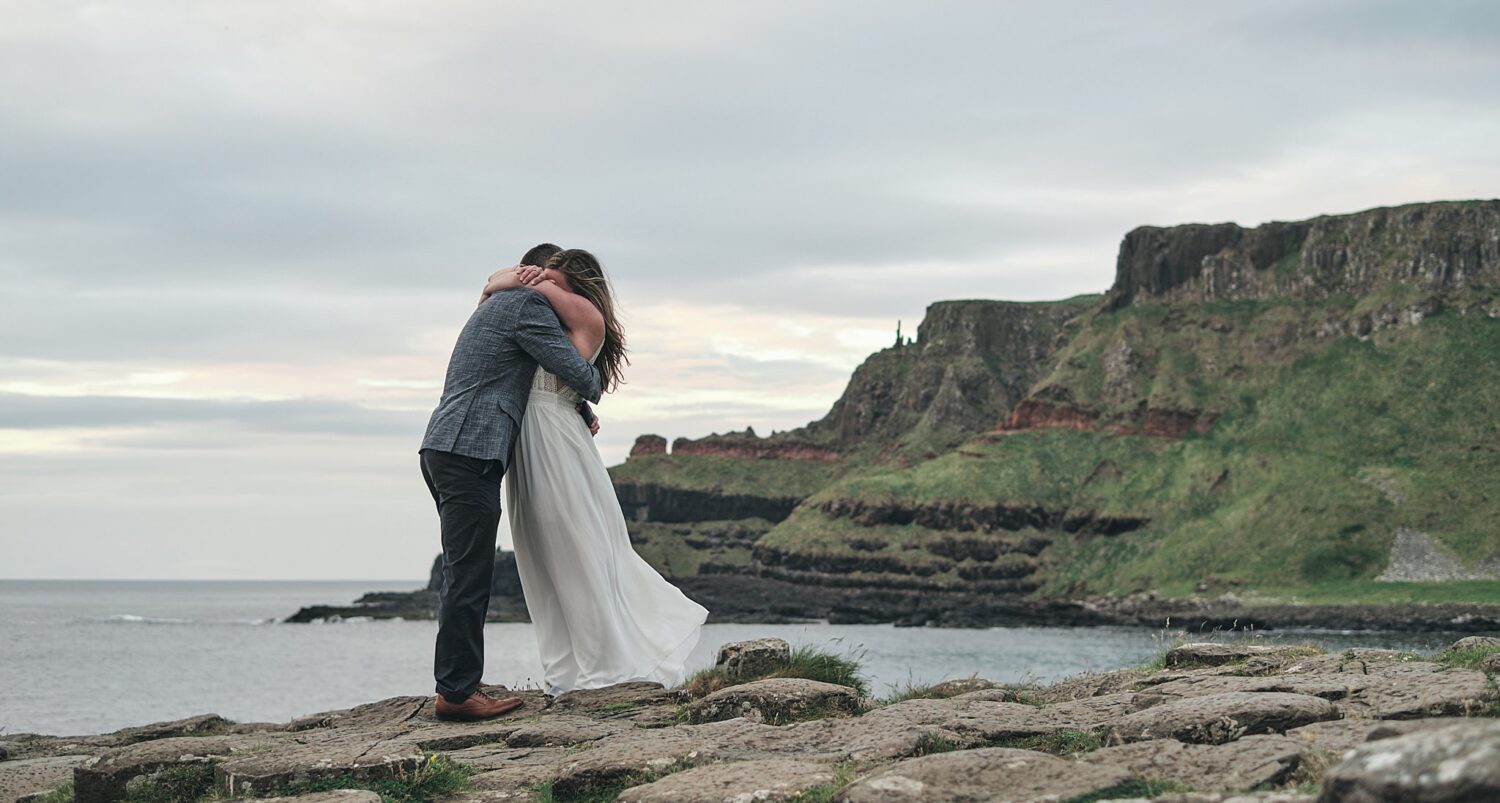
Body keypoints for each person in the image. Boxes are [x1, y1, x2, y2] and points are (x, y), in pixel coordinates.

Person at [481, 249, 708, 696]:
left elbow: (507, 285)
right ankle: (564, 674)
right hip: (531, 438)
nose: (538, 282)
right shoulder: (548, 316)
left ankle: (602, 670)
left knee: (574, 553)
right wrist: (503, 280)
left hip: (554, 442)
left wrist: (512, 280)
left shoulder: (584, 311)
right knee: (539, 559)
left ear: (576, 283)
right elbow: (498, 283)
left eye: (550, 278)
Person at [419, 243, 602, 721]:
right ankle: (457, 693)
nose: (555, 293)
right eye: (553, 282)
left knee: (465, 572)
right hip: (468, 448)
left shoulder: (503, 305)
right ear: (536, 275)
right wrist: (589, 393)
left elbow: (516, 372)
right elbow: (582, 375)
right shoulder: (526, 306)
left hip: (451, 445)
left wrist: (579, 412)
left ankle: (458, 685)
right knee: (468, 576)